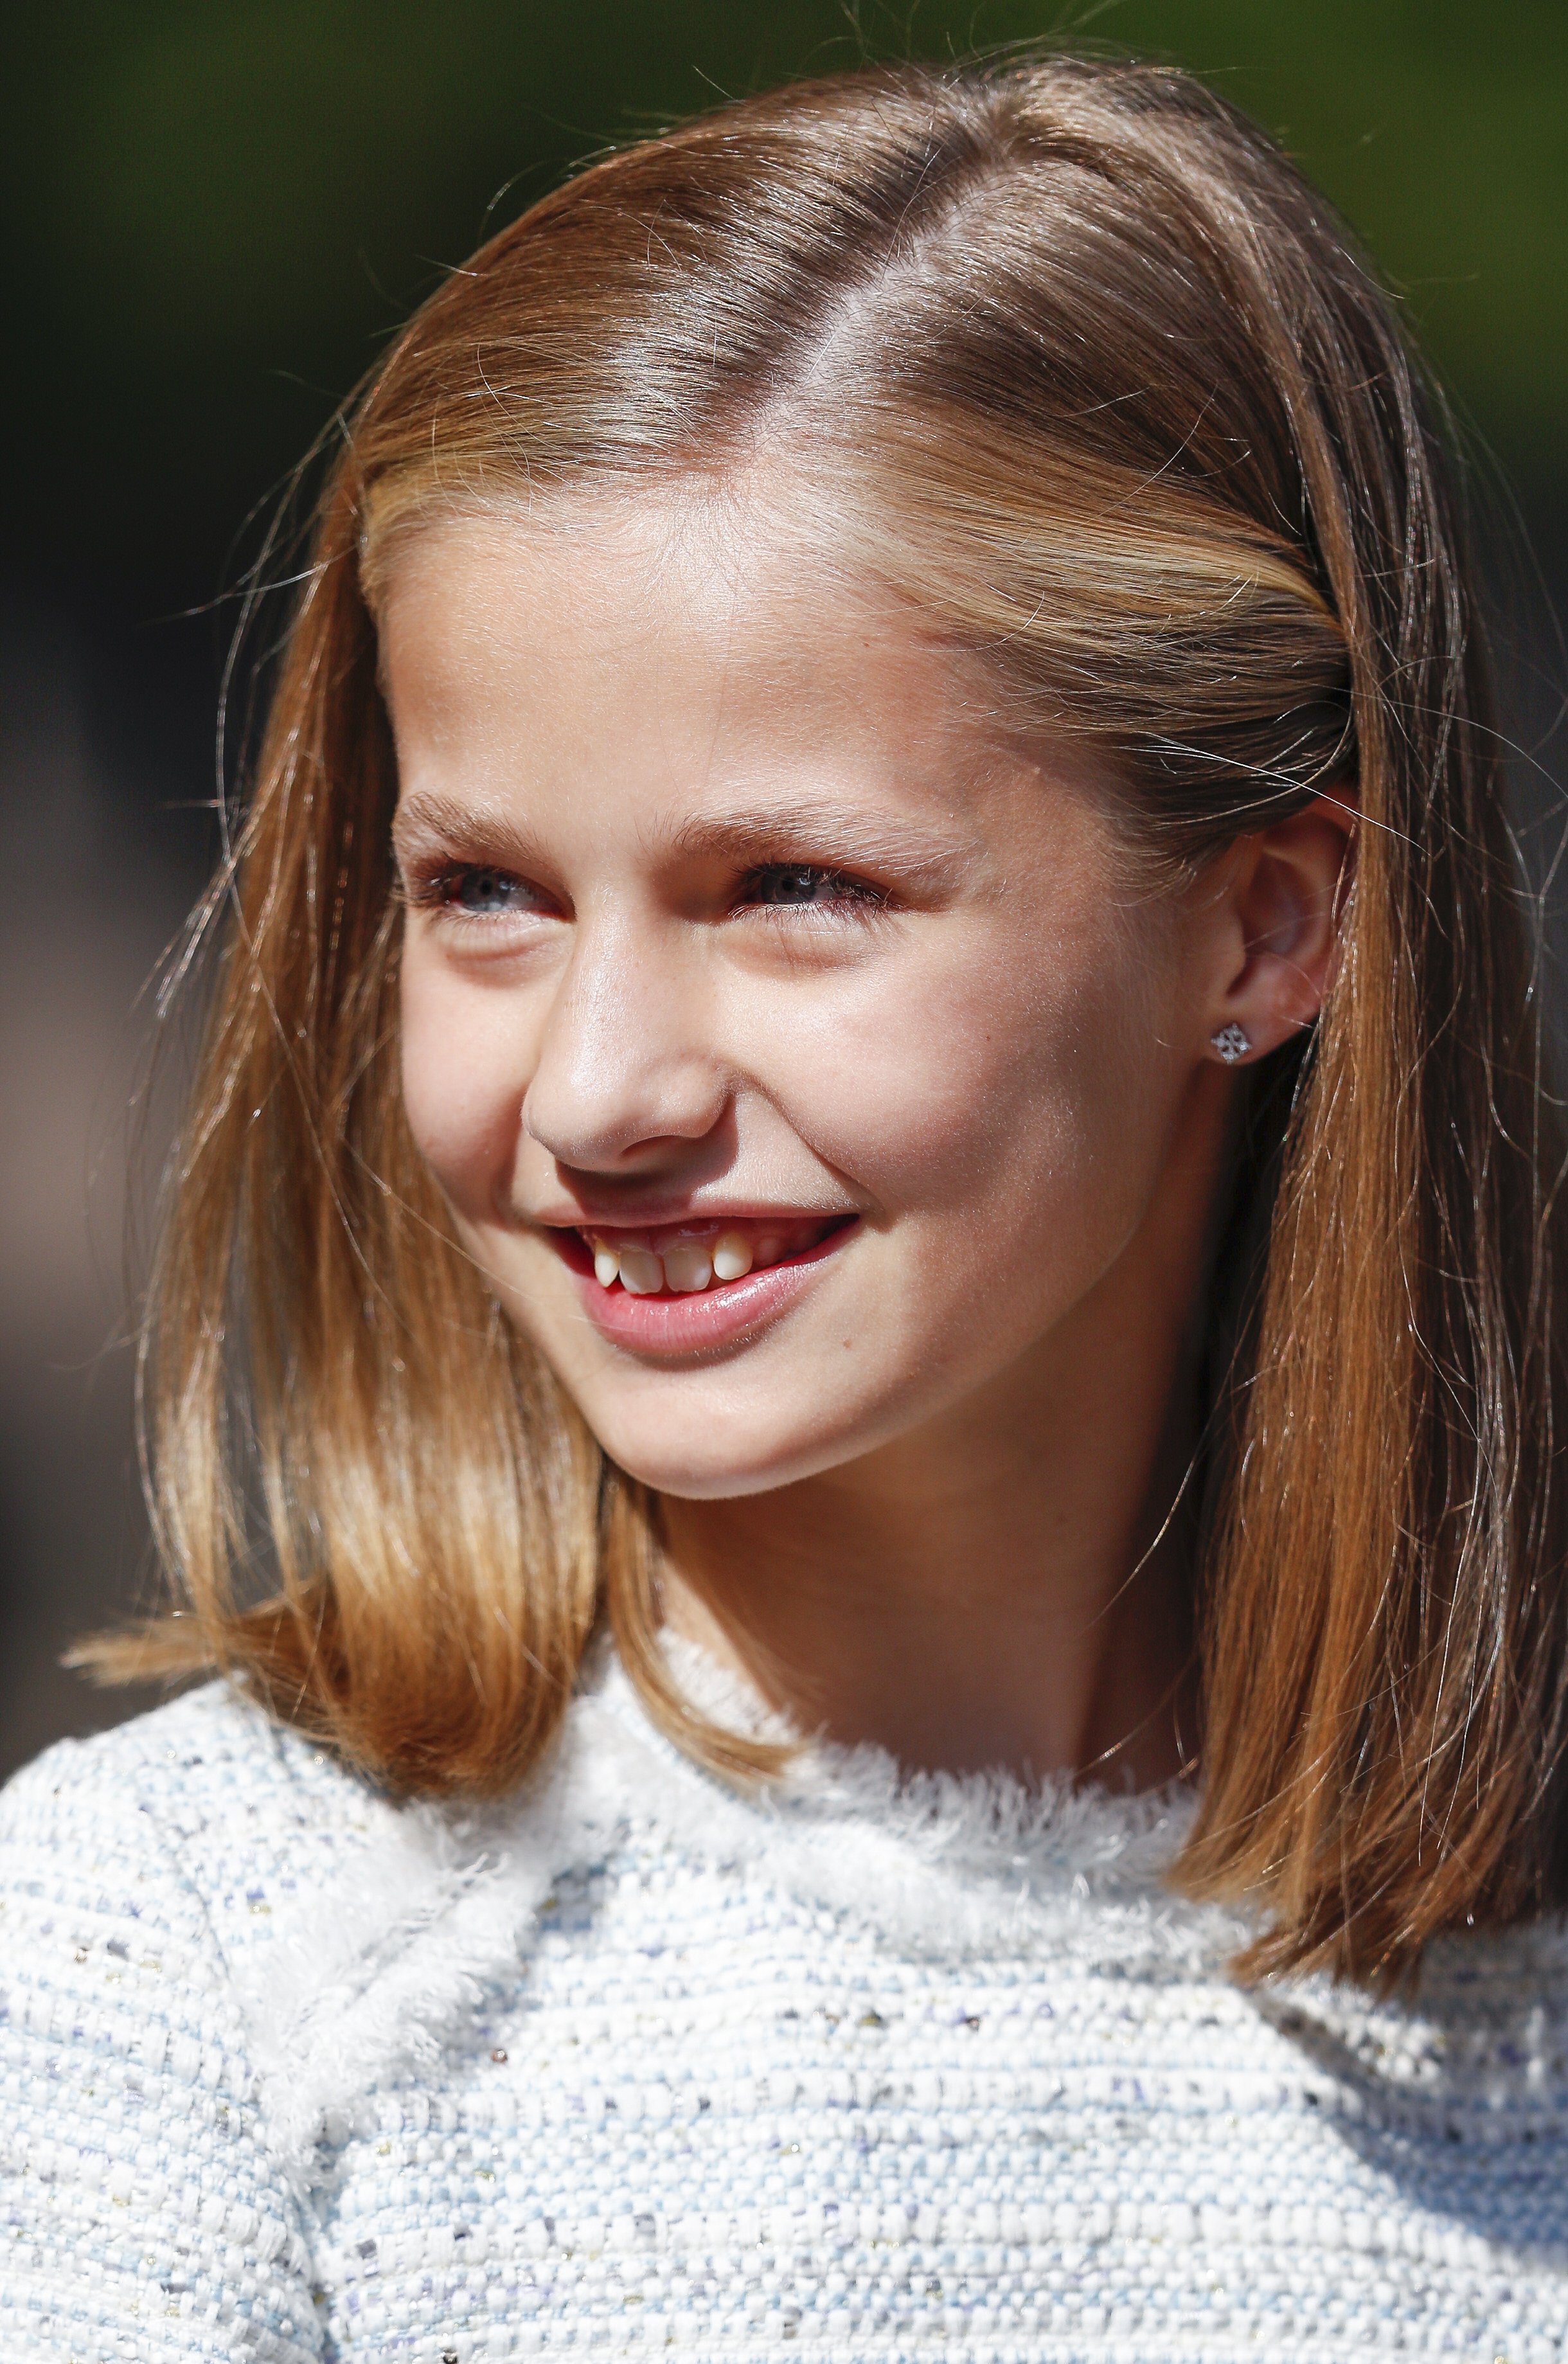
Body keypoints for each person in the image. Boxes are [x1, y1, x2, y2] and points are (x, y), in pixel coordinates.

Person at [4, 49, 1567, 2363]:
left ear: (1260, 931)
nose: (603, 1089)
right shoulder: (179, 1981)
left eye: (796, 889)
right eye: (486, 894)